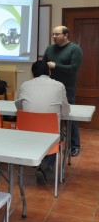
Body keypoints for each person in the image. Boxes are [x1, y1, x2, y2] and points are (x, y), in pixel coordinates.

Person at [15, 60, 70, 184]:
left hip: (27, 133)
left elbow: (19, 107)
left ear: (32, 73)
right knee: (57, 135)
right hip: (50, 133)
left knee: (41, 135)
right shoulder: (59, 85)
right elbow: (66, 112)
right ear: (49, 71)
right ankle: (45, 166)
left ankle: (38, 162)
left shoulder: (25, 85)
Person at [42, 25, 83, 157]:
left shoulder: (75, 49)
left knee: (69, 116)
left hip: (67, 87)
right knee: (52, 115)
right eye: (53, 34)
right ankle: (55, 143)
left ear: (66, 35)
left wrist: (56, 66)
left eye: (57, 34)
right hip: (50, 86)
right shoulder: (50, 48)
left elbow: (74, 68)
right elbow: (43, 65)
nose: (54, 37)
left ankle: (74, 145)